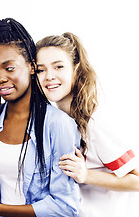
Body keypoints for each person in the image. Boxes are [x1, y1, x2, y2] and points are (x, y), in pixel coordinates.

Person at [0, 18, 81, 217]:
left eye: (9, 68)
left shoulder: (58, 125)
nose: (0, 78)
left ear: (32, 67)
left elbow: (65, 207)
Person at [35, 32, 139, 217]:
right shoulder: (55, 123)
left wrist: (87, 175)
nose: (49, 76)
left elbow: (137, 181)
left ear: (76, 69)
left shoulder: (95, 124)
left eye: (58, 66)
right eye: (40, 70)